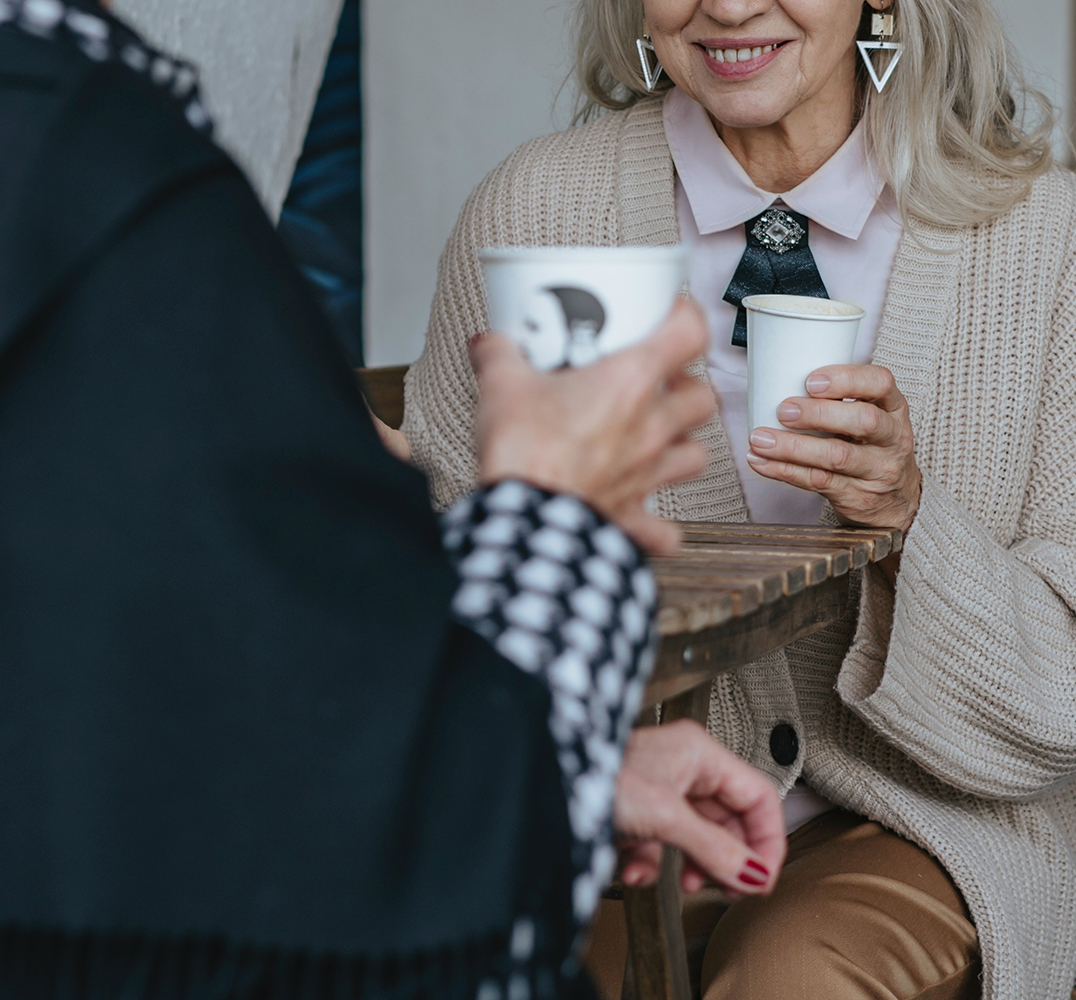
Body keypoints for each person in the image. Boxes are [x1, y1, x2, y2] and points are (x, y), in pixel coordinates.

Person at [0, 0, 787, 996]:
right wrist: (558, 517)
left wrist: (570, 776)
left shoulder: (87, 160)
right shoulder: (99, 175)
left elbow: (138, 711)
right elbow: (434, 905)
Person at [401, 0, 1076, 997]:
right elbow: (438, 587)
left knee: (787, 981)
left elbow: (1059, 694)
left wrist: (905, 522)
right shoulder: (533, 209)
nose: (724, 4)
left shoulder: (1040, 241)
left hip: (917, 817)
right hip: (605, 809)